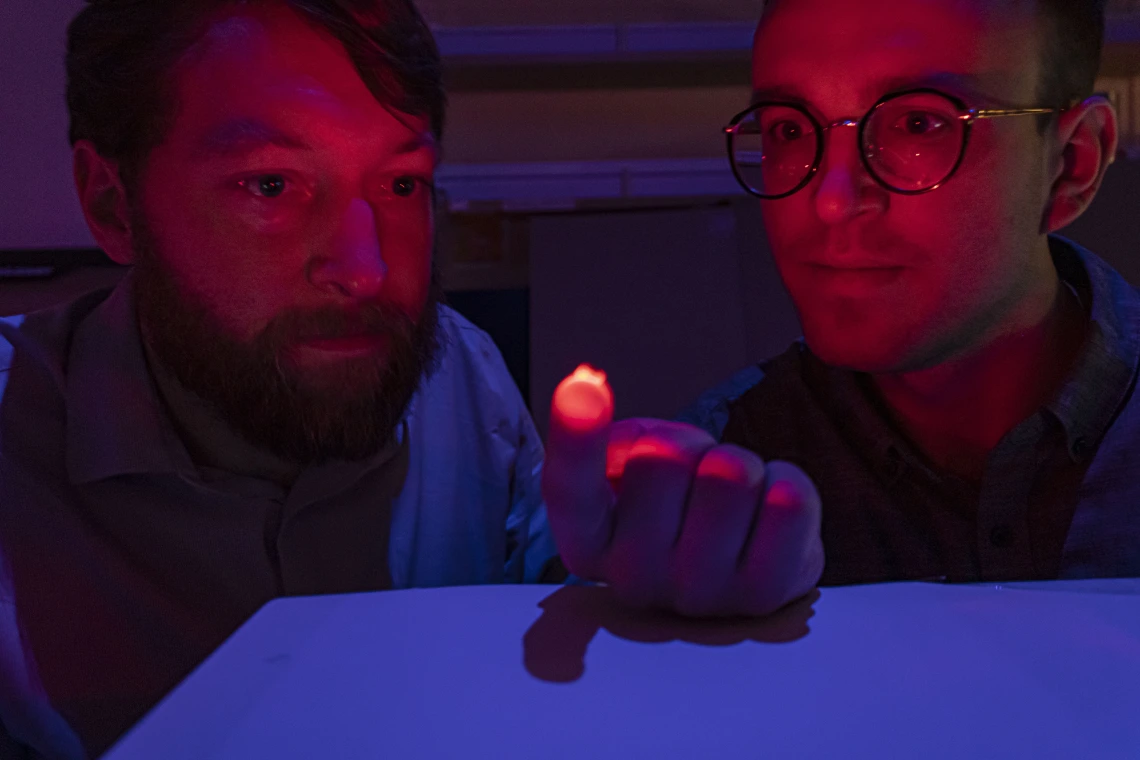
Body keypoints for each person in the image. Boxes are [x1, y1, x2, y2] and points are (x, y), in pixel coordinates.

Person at [0, 1, 821, 756]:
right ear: (111, 203)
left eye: (400, 184)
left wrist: (656, 558)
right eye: (271, 184)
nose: (366, 270)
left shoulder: (455, 370)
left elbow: (542, 585)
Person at [666, 0, 1140, 587]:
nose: (831, 199)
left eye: (919, 124)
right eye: (789, 130)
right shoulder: (716, 477)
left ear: (1071, 164)